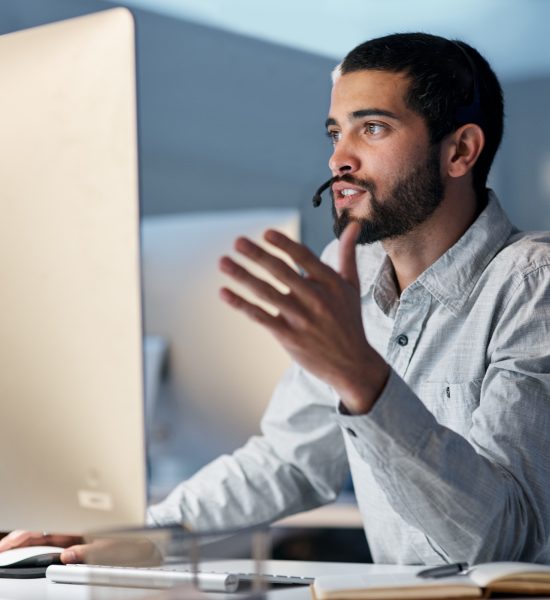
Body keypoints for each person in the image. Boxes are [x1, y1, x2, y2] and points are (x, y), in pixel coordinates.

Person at [2, 32, 550, 565]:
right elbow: (289, 462)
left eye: (373, 128)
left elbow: (501, 540)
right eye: (335, 132)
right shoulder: (352, 280)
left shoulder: (533, 285)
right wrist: (144, 533)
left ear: (459, 151)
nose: (340, 158)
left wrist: (363, 379)